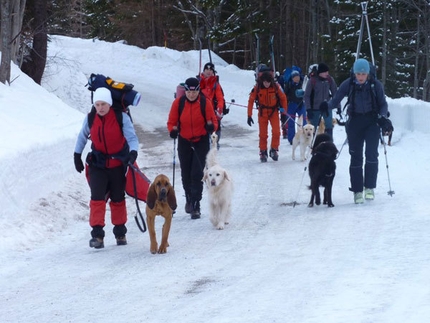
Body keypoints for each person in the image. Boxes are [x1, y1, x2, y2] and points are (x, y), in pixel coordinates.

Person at [74, 87, 139, 249]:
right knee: (97, 198)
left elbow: (132, 138)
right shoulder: (90, 118)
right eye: (97, 104)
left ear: (110, 103)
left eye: (103, 104)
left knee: (118, 198)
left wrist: (133, 153)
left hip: (117, 164)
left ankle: (120, 232)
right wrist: (77, 155)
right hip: (98, 164)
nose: (100, 108)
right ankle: (97, 235)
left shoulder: (121, 117)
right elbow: (82, 136)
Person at [327, 58, 389, 204]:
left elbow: (383, 104)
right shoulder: (348, 84)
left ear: (368, 74)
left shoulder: (375, 85)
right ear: (354, 73)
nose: (360, 77)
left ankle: (369, 187)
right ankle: (357, 190)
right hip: (354, 122)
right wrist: (326, 106)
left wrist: (382, 117)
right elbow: (336, 100)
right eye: (358, 74)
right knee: (356, 156)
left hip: (372, 122)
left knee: (372, 154)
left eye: (363, 74)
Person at [167, 77, 218, 219]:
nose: (191, 95)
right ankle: (189, 197)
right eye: (189, 92)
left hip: (200, 141)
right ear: (186, 91)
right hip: (184, 140)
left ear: (198, 91)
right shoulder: (178, 103)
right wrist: (173, 130)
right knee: (186, 173)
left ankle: (196, 204)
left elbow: (213, 121)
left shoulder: (204, 102)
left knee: (197, 173)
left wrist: (211, 127)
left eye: (194, 92)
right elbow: (171, 121)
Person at [247, 71, 288, 162]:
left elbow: (283, 98)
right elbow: (251, 100)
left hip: (274, 112)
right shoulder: (257, 88)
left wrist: (284, 113)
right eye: (265, 82)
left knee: (277, 132)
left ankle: (274, 149)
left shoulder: (276, 87)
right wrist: (249, 115)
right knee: (263, 134)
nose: (266, 84)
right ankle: (263, 151)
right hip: (262, 113)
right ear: (262, 81)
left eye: (268, 82)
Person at [303, 62, 338, 137]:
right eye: (325, 72)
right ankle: (312, 144)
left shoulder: (329, 80)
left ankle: (329, 142)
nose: (327, 73)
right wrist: (308, 109)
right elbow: (307, 96)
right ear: (320, 72)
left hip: (327, 107)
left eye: (327, 72)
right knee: (313, 127)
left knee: (329, 126)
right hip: (315, 108)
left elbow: (335, 93)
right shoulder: (312, 81)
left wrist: (338, 106)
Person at [199, 62, 226, 149]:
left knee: (215, 126)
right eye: (207, 69)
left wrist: (220, 108)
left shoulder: (216, 84)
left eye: (211, 70)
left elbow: (220, 97)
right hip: (201, 109)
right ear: (203, 70)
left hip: (212, 109)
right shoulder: (198, 81)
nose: (208, 71)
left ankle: (215, 141)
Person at [283, 70, 307, 144]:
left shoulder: (303, 84)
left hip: (301, 104)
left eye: (298, 77)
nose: (297, 78)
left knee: (304, 122)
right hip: (291, 104)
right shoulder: (289, 84)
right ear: (292, 78)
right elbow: (284, 94)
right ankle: (292, 139)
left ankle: (305, 137)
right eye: (295, 77)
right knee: (291, 122)